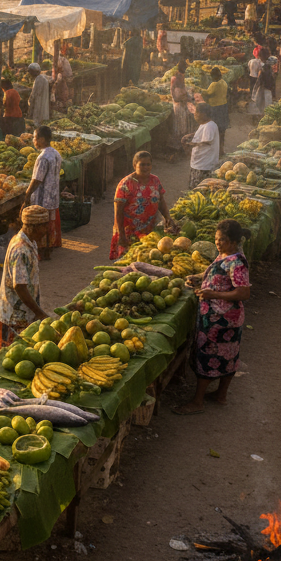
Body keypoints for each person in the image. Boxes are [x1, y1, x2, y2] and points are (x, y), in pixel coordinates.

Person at [173, 220, 251, 414]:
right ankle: (220, 395)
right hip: (223, 318)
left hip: (222, 319)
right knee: (229, 355)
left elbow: (243, 293)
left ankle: (197, 402)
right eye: (216, 239)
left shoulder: (237, 262)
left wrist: (212, 294)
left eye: (222, 240)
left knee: (207, 356)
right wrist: (200, 277)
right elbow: (218, 274)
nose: (217, 243)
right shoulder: (225, 255)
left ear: (233, 241)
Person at [0, 205, 50, 350]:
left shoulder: (30, 242)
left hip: (25, 313)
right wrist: (40, 313)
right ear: (33, 227)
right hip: (15, 316)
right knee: (10, 357)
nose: (46, 231)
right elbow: (19, 286)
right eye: (44, 226)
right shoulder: (20, 249)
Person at [110, 151, 174, 259]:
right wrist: (121, 234)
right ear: (135, 165)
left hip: (149, 229)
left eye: (148, 164)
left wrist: (167, 217)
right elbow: (118, 210)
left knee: (145, 258)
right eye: (142, 164)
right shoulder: (126, 184)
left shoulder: (155, 180)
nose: (145, 167)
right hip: (129, 231)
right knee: (128, 261)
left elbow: (160, 201)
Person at [23, 126, 62, 259]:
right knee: (49, 222)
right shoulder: (56, 153)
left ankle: (42, 250)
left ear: (41, 139)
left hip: (43, 197)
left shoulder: (43, 157)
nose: (33, 141)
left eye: (34, 138)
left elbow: (37, 180)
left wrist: (27, 195)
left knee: (41, 224)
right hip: (53, 196)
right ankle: (49, 248)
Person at [183, 103, 220, 188]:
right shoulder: (204, 124)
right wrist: (192, 135)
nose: (195, 115)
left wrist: (191, 144)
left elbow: (206, 141)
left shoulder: (209, 126)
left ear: (203, 114)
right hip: (199, 163)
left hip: (204, 165)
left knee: (199, 188)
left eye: (196, 113)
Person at [203, 67, 229, 152]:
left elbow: (207, 93)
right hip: (223, 107)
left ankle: (215, 149)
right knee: (222, 129)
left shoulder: (214, 84)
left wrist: (199, 90)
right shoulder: (224, 82)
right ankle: (221, 148)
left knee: (214, 128)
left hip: (216, 108)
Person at [170, 58, 190, 150]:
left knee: (182, 124)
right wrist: (182, 98)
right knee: (179, 124)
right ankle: (178, 144)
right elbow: (174, 93)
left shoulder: (180, 77)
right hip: (178, 103)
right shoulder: (175, 78)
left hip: (181, 102)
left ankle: (181, 143)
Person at [250, 49, 276, 115]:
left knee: (259, 102)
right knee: (268, 102)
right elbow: (273, 80)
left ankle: (261, 116)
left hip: (263, 87)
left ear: (260, 57)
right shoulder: (269, 66)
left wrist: (254, 90)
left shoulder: (263, 69)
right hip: (269, 87)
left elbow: (259, 81)